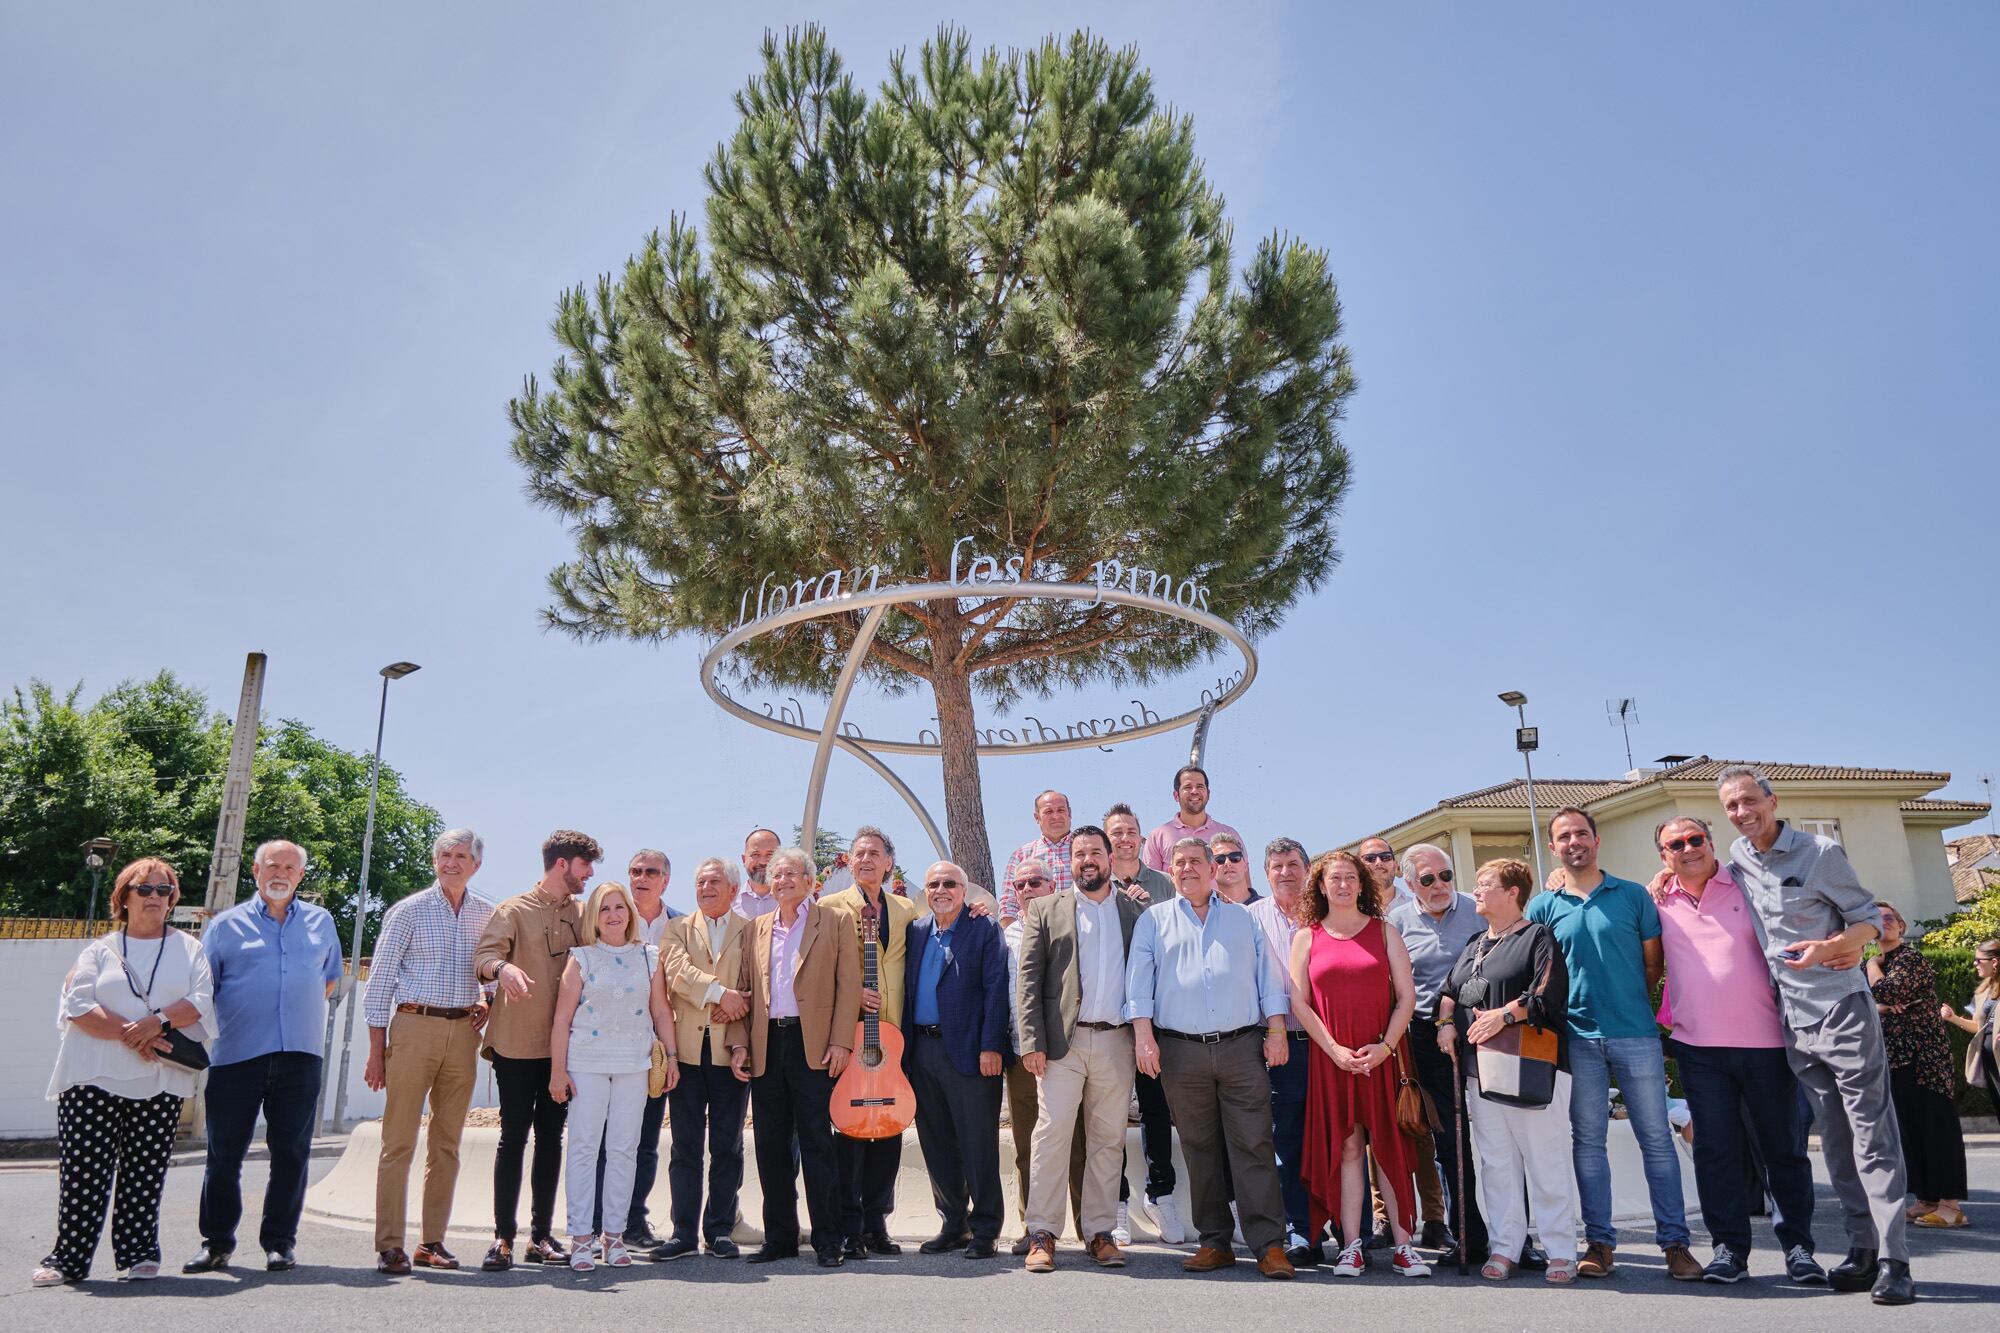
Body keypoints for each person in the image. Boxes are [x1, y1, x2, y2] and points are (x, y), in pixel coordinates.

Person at [1719, 766, 1914, 1305]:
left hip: (1843, 1009)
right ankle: (1862, 1248)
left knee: (1874, 1137)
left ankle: (1896, 1261)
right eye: (1732, 806)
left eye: (1749, 801)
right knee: (1834, 1141)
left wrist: (1832, 948)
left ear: (1772, 800)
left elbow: (1870, 919)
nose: (1741, 812)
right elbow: (1696, 878)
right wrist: (1659, 879)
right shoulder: (1737, 858)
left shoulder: (1821, 853)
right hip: (1794, 1022)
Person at [1646, 815, 1821, 1285]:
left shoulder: (1748, 883)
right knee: (1715, 1152)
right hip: (1698, 1049)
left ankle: (1800, 1250)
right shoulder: (1657, 901)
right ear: (1664, 857)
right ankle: (1728, 1250)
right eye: (1675, 844)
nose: (1687, 849)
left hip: (1767, 1043)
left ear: (1710, 842)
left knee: (1782, 1150)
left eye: (1695, 839)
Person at [1527, 806, 1696, 1280]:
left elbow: (1652, 964)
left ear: (1596, 840)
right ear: (1554, 848)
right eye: (1564, 836)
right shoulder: (1544, 906)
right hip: (1576, 1039)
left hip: (1635, 1033)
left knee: (1657, 1140)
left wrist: (1628, 1004)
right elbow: (1540, 972)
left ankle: (1676, 1245)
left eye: (1581, 833)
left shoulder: (1633, 897)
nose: (1573, 841)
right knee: (1588, 1143)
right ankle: (1599, 1243)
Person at [35, 858, 214, 1288]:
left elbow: (201, 999)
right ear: (124, 897)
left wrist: (157, 1023)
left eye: (164, 890)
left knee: (145, 1172)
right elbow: (79, 1006)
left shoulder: (190, 949)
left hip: (160, 1082)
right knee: (82, 1174)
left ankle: (138, 1253)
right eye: (145, 889)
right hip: (92, 1076)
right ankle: (68, 1260)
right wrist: (140, 1036)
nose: (155, 897)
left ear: (173, 901)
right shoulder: (99, 950)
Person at [1129, 837, 1295, 1279]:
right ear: (1172, 870)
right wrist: (1144, 1039)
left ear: (1211, 868)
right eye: (1179, 863)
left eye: (1196, 861)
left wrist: (1276, 1030)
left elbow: (1269, 978)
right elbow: (1138, 987)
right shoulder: (1153, 921)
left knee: (1254, 1144)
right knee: (1200, 1148)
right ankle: (1215, 1242)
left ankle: (1269, 1245)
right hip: (1180, 1051)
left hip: (1242, 1047)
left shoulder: (1244, 920)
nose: (1187, 869)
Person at [188, 839, 343, 1274]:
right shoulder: (225, 926)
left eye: (290, 867)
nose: (281, 873)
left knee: (291, 1154)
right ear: (255, 872)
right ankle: (216, 1243)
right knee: (224, 1155)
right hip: (238, 1055)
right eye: (272, 865)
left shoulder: (321, 922)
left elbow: (328, 981)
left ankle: (280, 1243)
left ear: (300, 876)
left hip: (300, 1055)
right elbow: (206, 988)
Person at [1436, 859, 1578, 1284]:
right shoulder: (1477, 942)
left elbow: (1547, 993)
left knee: (1544, 1160)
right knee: (1496, 1163)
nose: (1475, 892)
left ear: (1513, 892)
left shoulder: (1538, 937)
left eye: (1485, 885)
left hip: (1532, 1066)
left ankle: (1561, 1251)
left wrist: (1503, 1016)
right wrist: (1445, 1024)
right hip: (1482, 1070)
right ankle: (1504, 1246)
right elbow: (1450, 990)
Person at [1290, 849, 1428, 1280]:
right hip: (1332, 1061)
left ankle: (1405, 1246)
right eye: (1336, 878)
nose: (1344, 884)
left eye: (1351, 877)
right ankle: (1351, 1246)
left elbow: (1407, 997)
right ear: (1321, 885)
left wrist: (1385, 1048)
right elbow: (1299, 1001)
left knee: (1389, 1147)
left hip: (1380, 1057)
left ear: (1362, 884)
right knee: (1347, 1148)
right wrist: (1333, 1049)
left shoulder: (1385, 931)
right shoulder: (1306, 937)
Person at [362, 827, 495, 1274]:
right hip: (413, 1026)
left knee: (448, 1143)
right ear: (435, 861)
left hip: (462, 1033)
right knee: (397, 1140)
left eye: (461, 856)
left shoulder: (486, 914)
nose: (451, 862)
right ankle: (390, 1244)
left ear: (476, 864)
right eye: (444, 855)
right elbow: (378, 983)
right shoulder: (408, 911)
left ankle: (432, 1242)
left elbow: (491, 974)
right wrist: (376, 1051)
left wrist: (487, 1001)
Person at [1017, 825, 1145, 1272]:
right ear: (1068, 863)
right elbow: (1028, 981)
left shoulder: (1134, 911)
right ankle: (1042, 1233)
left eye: (1095, 852)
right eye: (1078, 854)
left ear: (1110, 858)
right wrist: (1031, 1041)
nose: (1086, 859)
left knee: (1109, 1140)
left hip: (1117, 1041)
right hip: (1060, 1046)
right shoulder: (1046, 909)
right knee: (1051, 1137)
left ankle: (1099, 1232)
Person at [471, 828, 598, 1271]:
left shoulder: (585, 914)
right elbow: (484, 957)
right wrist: (502, 969)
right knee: (513, 1139)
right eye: (585, 865)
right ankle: (503, 1239)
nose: (590, 874)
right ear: (562, 864)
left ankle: (540, 1237)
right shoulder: (513, 910)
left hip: (566, 1050)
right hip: (515, 1045)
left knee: (551, 1140)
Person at [549, 880, 678, 1272]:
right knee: (585, 1149)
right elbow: (561, 1019)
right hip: (586, 1063)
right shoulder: (582, 957)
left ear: (630, 913)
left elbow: (660, 1011)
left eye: (620, 907)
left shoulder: (648, 956)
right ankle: (581, 1238)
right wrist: (558, 1071)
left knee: (625, 1150)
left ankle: (615, 1237)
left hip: (634, 1065)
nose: (613, 915)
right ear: (594, 916)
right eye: (605, 909)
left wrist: (671, 1057)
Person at [745, 847, 861, 1267]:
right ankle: (779, 1237)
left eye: (793, 874)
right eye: (777, 875)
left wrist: (841, 1043)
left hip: (812, 1046)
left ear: (811, 881)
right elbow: (748, 990)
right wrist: (742, 1044)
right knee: (770, 1146)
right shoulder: (757, 928)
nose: (783, 880)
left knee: (817, 1146)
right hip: (767, 1046)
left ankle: (829, 1240)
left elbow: (848, 987)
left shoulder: (835, 921)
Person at [819, 825, 920, 1258]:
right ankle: (850, 1225)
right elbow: (816, 970)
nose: (865, 860)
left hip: (893, 1035)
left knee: (890, 1130)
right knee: (850, 1132)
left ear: (888, 862)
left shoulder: (906, 908)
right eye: (858, 853)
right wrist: (850, 994)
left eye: (874, 853)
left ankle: (878, 1223)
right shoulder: (828, 906)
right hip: (852, 1034)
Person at [1384, 843, 1485, 1264]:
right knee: (1450, 1141)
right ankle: (1470, 1237)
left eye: (1445, 875)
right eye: (1427, 880)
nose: (1439, 885)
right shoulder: (1396, 921)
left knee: (1499, 1138)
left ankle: (1517, 1236)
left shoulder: (1479, 909)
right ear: (1410, 884)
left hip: (1484, 1031)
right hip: (1426, 1037)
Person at [905, 860, 1011, 1258]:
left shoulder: (983, 928)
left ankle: (985, 1230)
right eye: (934, 884)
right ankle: (954, 1224)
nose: (941, 889)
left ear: (965, 892)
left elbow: (995, 989)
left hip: (970, 1051)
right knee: (936, 1143)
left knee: (977, 1143)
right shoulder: (915, 931)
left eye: (950, 883)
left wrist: (991, 1047)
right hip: (921, 1051)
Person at [653, 856, 753, 1260]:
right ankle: (682, 1233)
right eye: (700, 882)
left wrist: (737, 1019)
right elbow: (677, 973)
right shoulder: (675, 930)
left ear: (733, 889)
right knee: (686, 1146)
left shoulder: (750, 932)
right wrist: (720, 995)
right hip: (688, 1054)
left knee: (728, 1146)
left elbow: (753, 990)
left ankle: (719, 1230)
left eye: (715, 882)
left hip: (731, 1053)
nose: (706, 888)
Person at [1102, 802, 1181, 1244]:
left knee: (1156, 1109)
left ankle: (1161, 1193)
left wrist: (1149, 911)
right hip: (1111, 1019)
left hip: (1156, 1017)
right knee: (1112, 1113)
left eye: (1132, 831)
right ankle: (1117, 1202)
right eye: (1117, 832)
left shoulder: (1165, 885)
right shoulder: (1096, 886)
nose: (1125, 838)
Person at [1867, 900, 1968, 1230]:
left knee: (1936, 1128)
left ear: (1901, 926)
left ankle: (1950, 1205)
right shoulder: (1884, 962)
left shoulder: (1911, 958)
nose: (1884, 923)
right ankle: (1925, 1198)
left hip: (1926, 1059)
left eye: (1889, 918)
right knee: (1910, 1129)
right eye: (1876, 919)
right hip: (1896, 1058)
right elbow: (1865, 1001)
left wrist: (1872, 970)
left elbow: (1886, 990)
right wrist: (1881, 1006)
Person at [597, 847, 678, 1246]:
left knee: (644, 1142)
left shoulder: (681, 926)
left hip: (654, 1053)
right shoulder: (608, 920)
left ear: (666, 879)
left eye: (651, 871)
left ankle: (632, 1222)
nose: (641, 877)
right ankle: (595, 1224)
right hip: (604, 1051)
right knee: (602, 1140)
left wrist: (671, 1052)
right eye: (635, 871)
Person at [1246, 837, 1317, 1262]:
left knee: (1334, 1137)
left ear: (1307, 869)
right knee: (1285, 1140)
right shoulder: (1249, 919)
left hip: (1326, 1045)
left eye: (1293, 864)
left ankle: (1350, 1232)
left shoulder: (1325, 916)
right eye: (1277, 866)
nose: (1286, 872)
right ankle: (1298, 1230)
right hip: (1276, 1045)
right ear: (1266, 872)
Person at [1001, 856, 1059, 1254]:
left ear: (1051, 886)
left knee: (1074, 1143)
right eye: (1020, 885)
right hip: (1020, 1054)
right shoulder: (1003, 936)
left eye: (1035, 882)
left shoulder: (1069, 925)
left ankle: (1090, 1230)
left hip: (1064, 1053)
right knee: (1027, 1145)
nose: (1026, 890)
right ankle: (1031, 1225)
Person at [1939, 938, 2000, 1116]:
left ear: (1994, 962)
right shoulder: (1982, 992)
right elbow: (1978, 1027)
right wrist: (1954, 1018)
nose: (1975, 964)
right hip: (1992, 1060)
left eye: (1979, 960)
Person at [1143, 764, 1242, 872]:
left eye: (1200, 786)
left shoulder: (1229, 834)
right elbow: (1151, 884)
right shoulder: (1157, 837)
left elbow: (1243, 882)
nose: (1194, 791)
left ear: (1208, 794)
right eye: (1188, 787)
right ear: (1176, 795)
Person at [1000, 790, 1075, 922]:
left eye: (1061, 810)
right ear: (1037, 817)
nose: (1056, 816)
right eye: (1048, 812)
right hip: (1035, 935)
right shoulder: (1021, 856)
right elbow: (1008, 907)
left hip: (1081, 934)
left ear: (1070, 813)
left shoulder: (1086, 850)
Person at [1357, 836, 1415, 913]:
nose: (1379, 862)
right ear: (1358, 868)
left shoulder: (1418, 910)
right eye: (1369, 858)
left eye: (1385, 857)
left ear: (1395, 865)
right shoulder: (1348, 913)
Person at [736, 828, 782, 919]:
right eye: (755, 855)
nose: (763, 862)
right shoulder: (729, 903)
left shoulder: (796, 900)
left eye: (770, 855)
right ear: (744, 859)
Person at [1210, 831, 1259, 904]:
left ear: (1245, 865)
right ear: (1211, 869)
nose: (1228, 863)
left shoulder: (1267, 909)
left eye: (1235, 857)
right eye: (1220, 859)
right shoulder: (1206, 912)